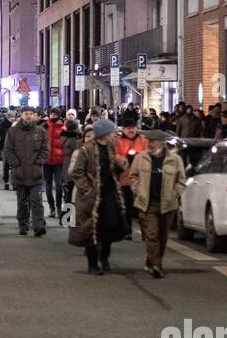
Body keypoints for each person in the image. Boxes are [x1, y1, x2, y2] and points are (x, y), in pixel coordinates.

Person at [68, 118, 128, 276]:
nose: (114, 136)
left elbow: (113, 171)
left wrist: (120, 166)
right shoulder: (86, 150)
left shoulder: (110, 149)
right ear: (103, 134)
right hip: (91, 197)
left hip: (108, 194)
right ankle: (92, 263)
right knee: (91, 230)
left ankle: (105, 256)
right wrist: (87, 190)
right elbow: (77, 172)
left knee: (110, 225)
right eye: (111, 133)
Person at [130, 129, 187, 278]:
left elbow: (181, 181)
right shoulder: (141, 158)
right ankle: (157, 265)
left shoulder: (174, 160)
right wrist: (138, 189)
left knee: (162, 236)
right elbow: (133, 176)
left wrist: (175, 194)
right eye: (148, 141)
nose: (149, 144)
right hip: (147, 204)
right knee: (151, 235)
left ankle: (152, 261)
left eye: (153, 141)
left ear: (161, 143)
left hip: (167, 205)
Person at [4, 106, 48, 237]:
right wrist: (15, 164)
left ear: (35, 116)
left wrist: (39, 162)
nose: (28, 116)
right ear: (21, 115)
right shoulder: (13, 132)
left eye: (31, 114)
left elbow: (45, 150)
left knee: (37, 202)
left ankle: (38, 226)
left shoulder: (40, 132)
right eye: (26, 113)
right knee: (22, 202)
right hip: (20, 173)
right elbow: (7, 149)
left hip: (36, 174)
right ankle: (23, 225)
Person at [113, 110, 146, 238]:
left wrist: (138, 158)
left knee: (142, 207)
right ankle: (127, 231)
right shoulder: (118, 142)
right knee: (126, 207)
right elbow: (116, 157)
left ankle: (145, 232)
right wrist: (124, 159)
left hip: (141, 179)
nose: (130, 130)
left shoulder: (143, 140)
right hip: (125, 179)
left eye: (132, 128)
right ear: (123, 129)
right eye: (127, 128)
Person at [42, 108, 67, 219]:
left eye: (55, 114)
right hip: (46, 161)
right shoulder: (44, 126)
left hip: (59, 161)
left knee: (58, 185)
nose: (53, 115)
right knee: (47, 186)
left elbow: (66, 143)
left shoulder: (63, 127)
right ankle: (52, 208)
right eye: (51, 113)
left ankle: (58, 207)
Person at [59, 117, 83, 209]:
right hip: (75, 166)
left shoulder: (64, 136)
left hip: (66, 165)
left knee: (68, 192)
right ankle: (68, 216)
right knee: (73, 193)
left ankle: (66, 217)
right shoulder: (75, 139)